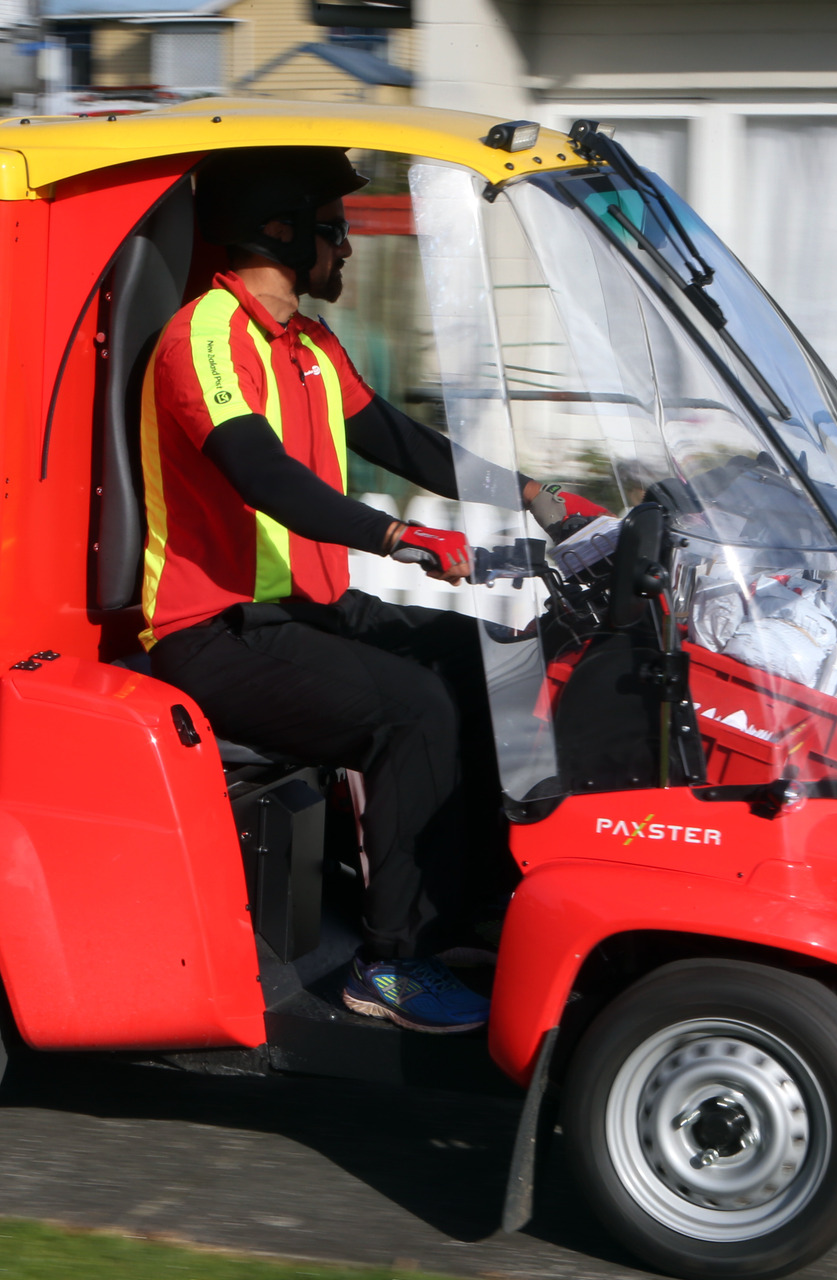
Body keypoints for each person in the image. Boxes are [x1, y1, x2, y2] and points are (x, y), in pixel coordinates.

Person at [138, 147, 605, 1034]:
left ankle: (467, 914)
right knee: (413, 710)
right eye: (335, 228)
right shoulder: (205, 337)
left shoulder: (309, 345)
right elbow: (260, 474)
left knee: (483, 667)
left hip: (304, 611)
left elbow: (401, 441)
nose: (347, 249)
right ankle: (390, 966)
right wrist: (396, 535)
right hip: (215, 629)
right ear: (280, 230)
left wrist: (536, 495)